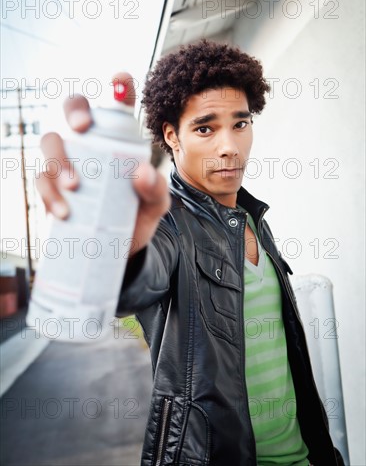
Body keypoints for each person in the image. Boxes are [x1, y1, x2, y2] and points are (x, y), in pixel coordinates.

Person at [36, 39, 344, 466]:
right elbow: (134, 280)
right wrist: (103, 228)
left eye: (240, 123)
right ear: (171, 136)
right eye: (205, 128)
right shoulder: (166, 225)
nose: (229, 147)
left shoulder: (253, 218)